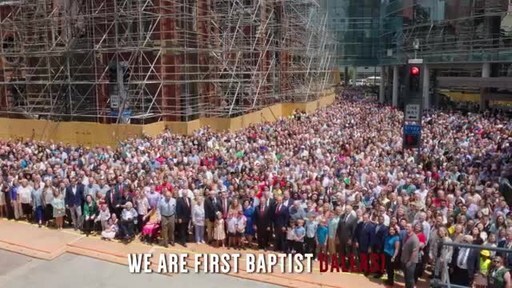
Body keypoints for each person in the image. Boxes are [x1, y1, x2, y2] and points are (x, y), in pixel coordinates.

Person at [401, 223, 420, 288]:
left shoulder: (415, 238)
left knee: (410, 278)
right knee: (406, 276)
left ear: (412, 229)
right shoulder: (406, 235)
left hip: (410, 262)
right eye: (406, 226)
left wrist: (410, 262)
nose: (407, 228)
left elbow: (414, 252)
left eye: (409, 227)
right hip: (405, 260)